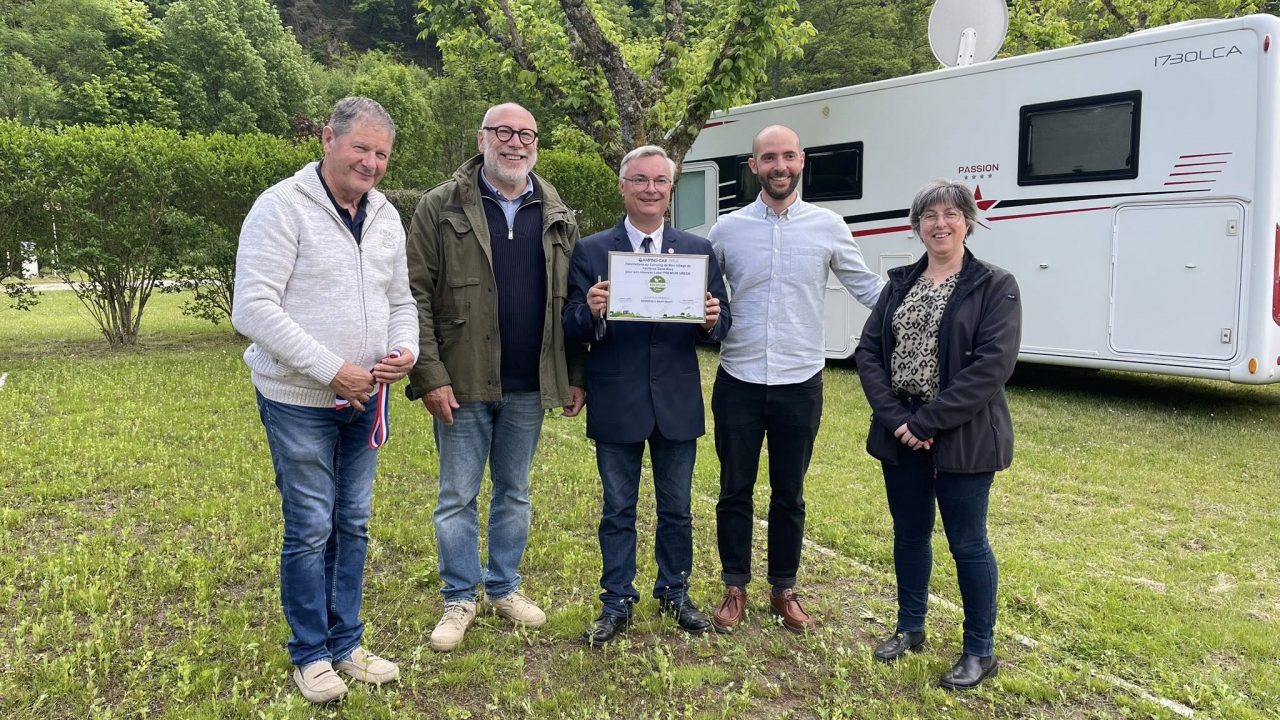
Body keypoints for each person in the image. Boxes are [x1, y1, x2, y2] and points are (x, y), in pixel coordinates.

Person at [232, 97, 418, 704]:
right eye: (360, 147)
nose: (370, 163)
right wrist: (330, 369)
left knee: (354, 524)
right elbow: (253, 309)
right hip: (299, 400)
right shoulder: (281, 208)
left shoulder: (387, 215)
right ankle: (310, 654)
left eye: (381, 154)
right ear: (327, 139)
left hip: (366, 395)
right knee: (312, 527)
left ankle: (347, 644)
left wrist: (403, 349)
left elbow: (401, 301)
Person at [404, 102, 585, 653]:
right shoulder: (440, 206)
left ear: (536, 144)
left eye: (526, 134)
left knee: (515, 491)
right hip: (460, 381)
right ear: (482, 138)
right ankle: (459, 596)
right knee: (457, 495)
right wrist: (429, 374)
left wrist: (575, 374)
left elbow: (571, 303)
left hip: (529, 383)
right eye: (504, 132)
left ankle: (504, 587)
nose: (515, 143)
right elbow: (414, 295)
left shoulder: (558, 213)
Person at [708, 125, 885, 633]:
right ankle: (734, 585)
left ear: (801, 161)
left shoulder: (828, 226)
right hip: (738, 378)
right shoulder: (726, 230)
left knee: (790, 492)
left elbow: (868, 288)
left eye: (787, 156)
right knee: (734, 489)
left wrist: (930, 291)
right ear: (753, 166)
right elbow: (696, 295)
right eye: (769, 158)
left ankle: (784, 588)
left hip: (800, 380)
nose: (779, 166)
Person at [854, 179, 1021, 690]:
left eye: (950, 214)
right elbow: (868, 353)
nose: (940, 224)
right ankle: (910, 627)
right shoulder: (900, 282)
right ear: (917, 226)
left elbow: (992, 367)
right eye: (929, 216)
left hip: (964, 436)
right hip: (900, 431)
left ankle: (980, 650)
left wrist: (927, 423)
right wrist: (899, 421)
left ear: (968, 221)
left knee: (968, 543)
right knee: (909, 534)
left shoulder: (994, 284)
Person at [563, 145, 731, 646]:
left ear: (671, 188)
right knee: (618, 508)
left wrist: (710, 321)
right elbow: (570, 324)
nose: (651, 189)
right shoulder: (592, 250)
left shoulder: (697, 250)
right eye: (640, 180)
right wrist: (590, 310)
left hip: (676, 400)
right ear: (623, 186)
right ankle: (616, 600)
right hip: (617, 398)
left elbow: (719, 328)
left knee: (677, 508)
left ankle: (674, 591)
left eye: (660, 180)